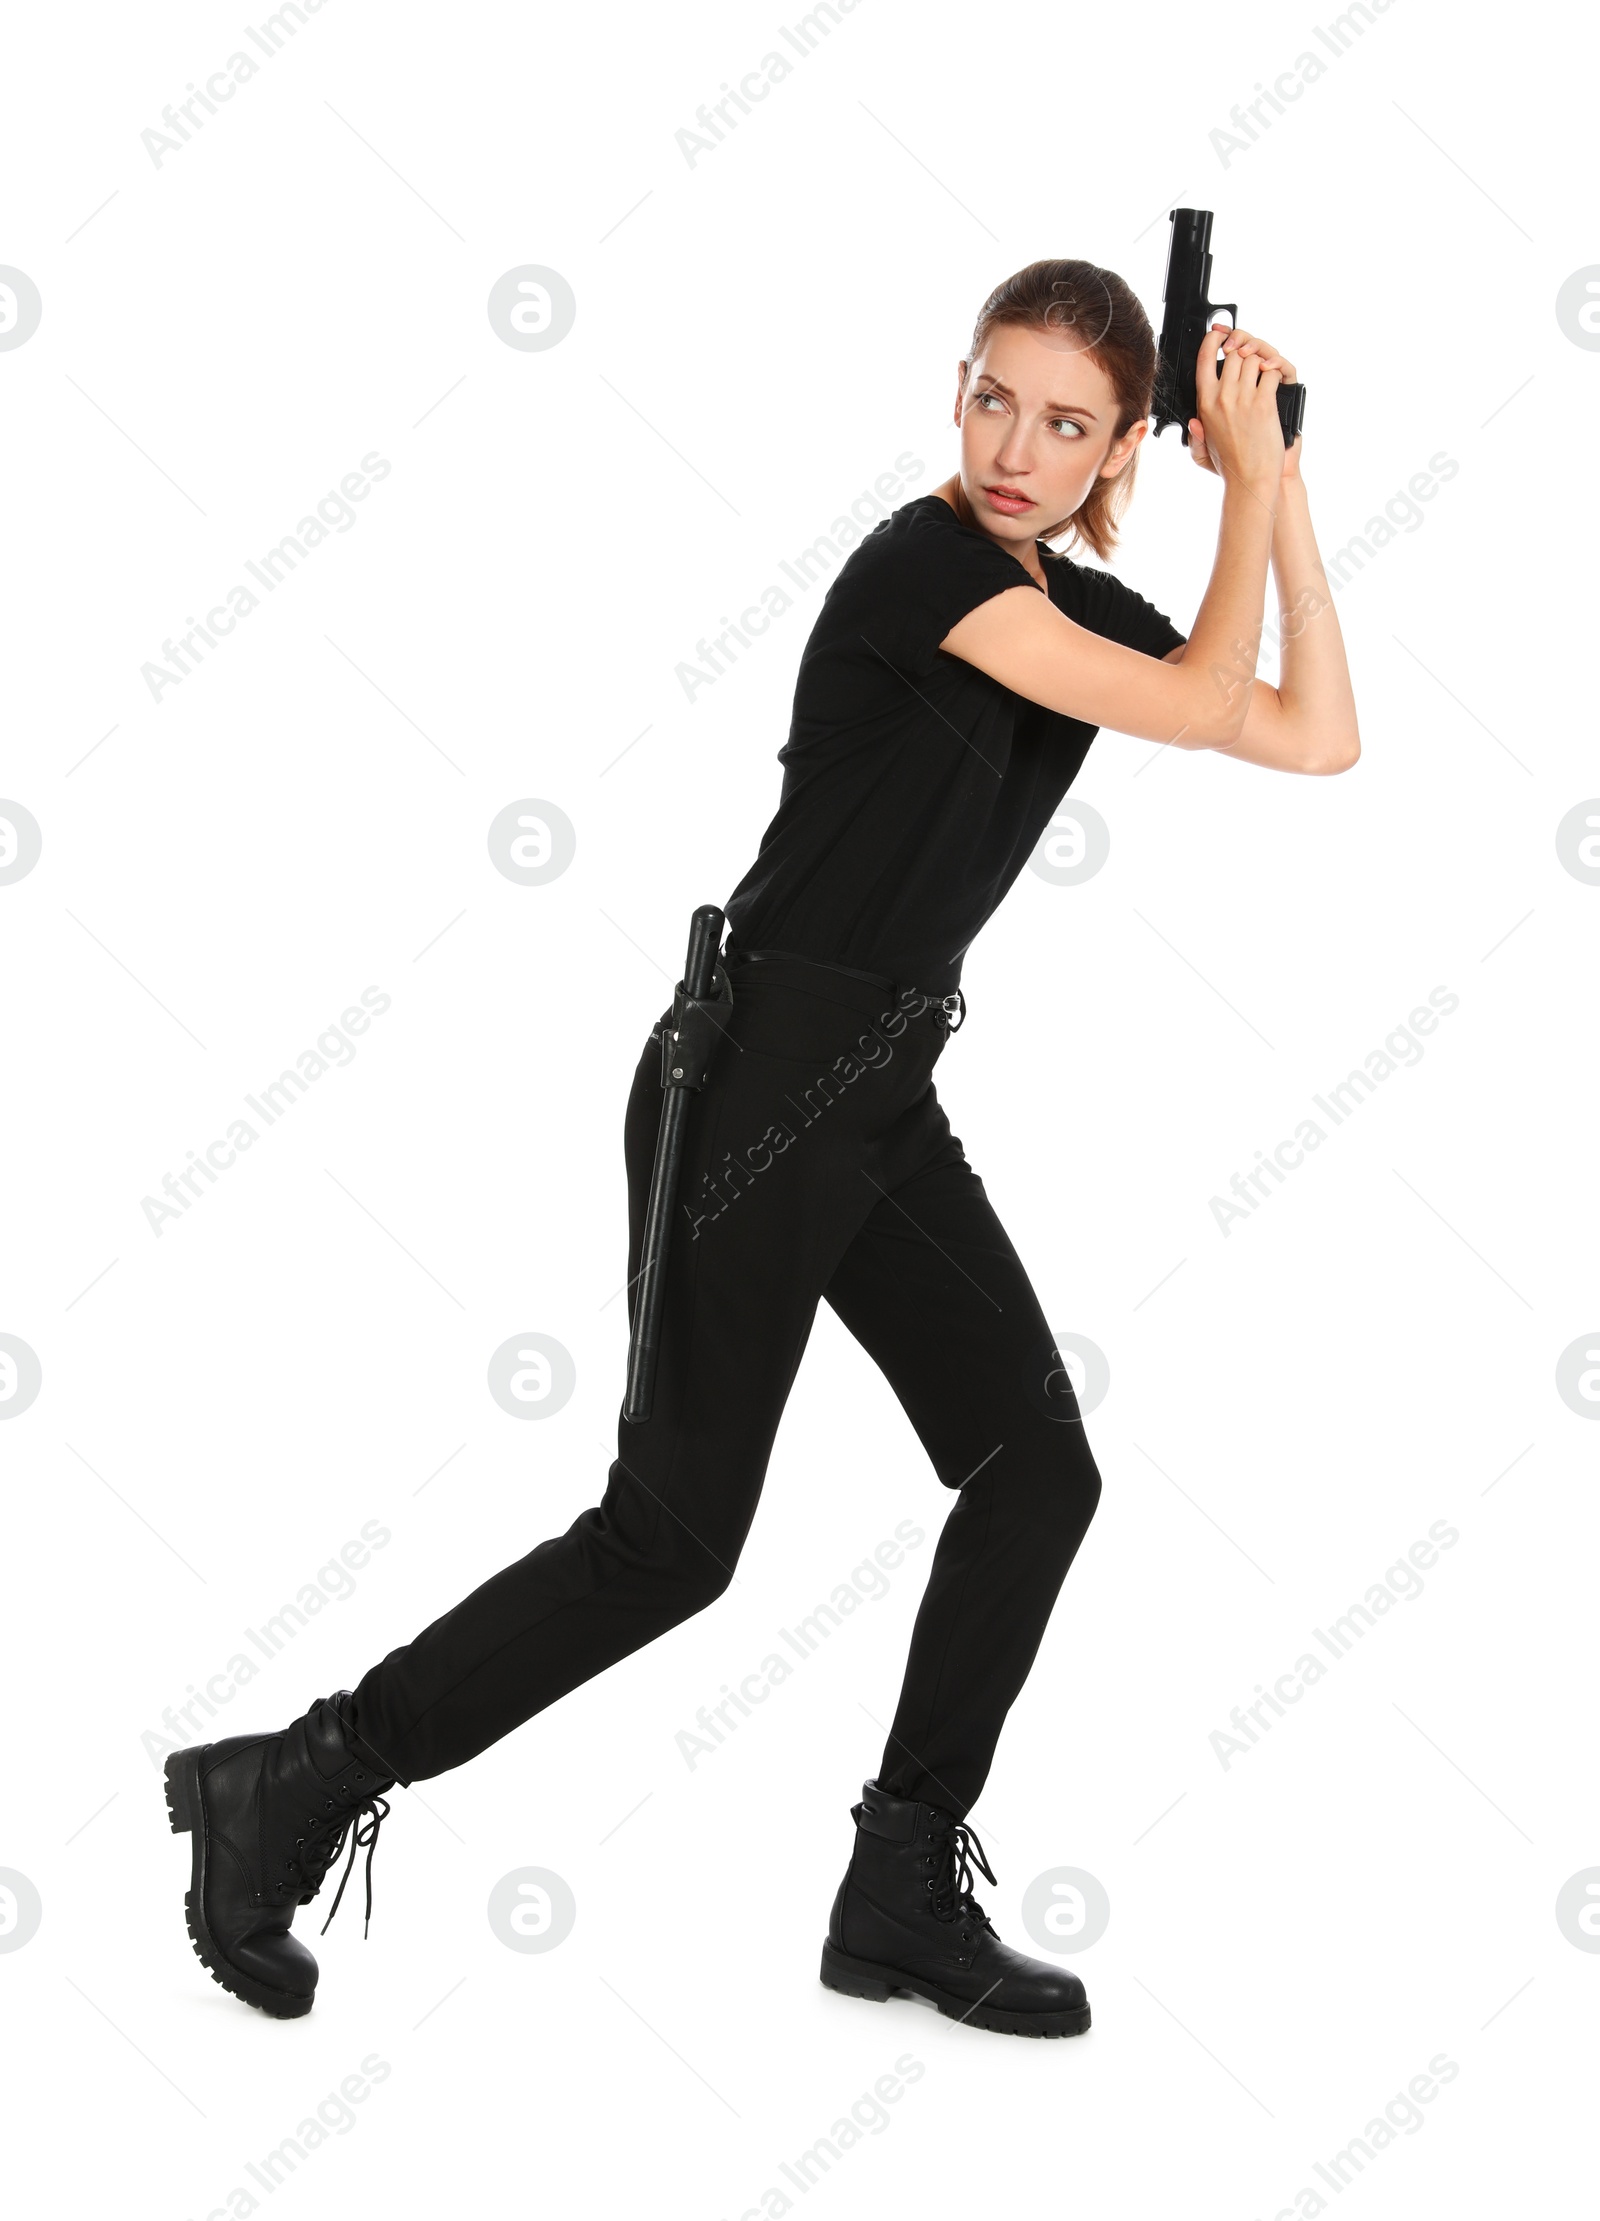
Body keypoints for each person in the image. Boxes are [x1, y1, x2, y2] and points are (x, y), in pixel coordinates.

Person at [162, 257, 1358, 2035]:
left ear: (1121, 448)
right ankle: (301, 1777)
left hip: (878, 1089)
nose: (1016, 446)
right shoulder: (929, 571)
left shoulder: (1070, 603)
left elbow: (1308, 733)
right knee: (672, 1543)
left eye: (1067, 422)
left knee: (1037, 1471)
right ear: (955, 390)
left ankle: (896, 1886)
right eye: (993, 397)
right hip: (754, 1079)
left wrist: (1289, 487)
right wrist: (1244, 486)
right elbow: (1200, 693)